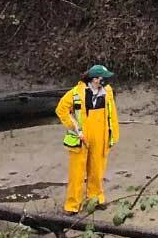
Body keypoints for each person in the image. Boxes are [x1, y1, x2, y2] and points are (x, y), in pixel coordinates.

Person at [56, 64, 120, 213]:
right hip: (81, 137)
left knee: (97, 169)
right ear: (95, 79)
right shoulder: (76, 93)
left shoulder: (108, 92)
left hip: (100, 134)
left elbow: (112, 115)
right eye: (104, 78)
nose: (107, 81)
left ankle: (95, 199)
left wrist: (112, 134)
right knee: (77, 172)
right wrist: (74, 127)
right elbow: (61, 109)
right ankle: (72, 206)